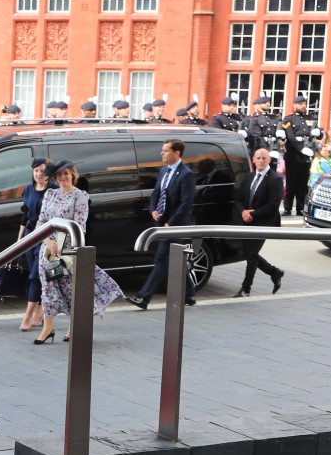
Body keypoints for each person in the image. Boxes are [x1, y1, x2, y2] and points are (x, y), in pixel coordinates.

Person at [32, 161, 123, 344]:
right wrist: (49, 241)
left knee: (72, 289)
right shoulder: (50, 194)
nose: (63, 177)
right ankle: (48, 327)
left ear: (73, 174)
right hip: (48, 250)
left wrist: (61, 244)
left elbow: (79, 226)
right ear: (55, 178)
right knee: (47, 289)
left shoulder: (80, 196)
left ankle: (75, 326)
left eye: (66, 174)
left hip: (68, 250)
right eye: (59, 175)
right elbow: (41, 222)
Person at [125, 139, 197, 310]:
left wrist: (171, 223)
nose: (162, 153)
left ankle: (143, 297)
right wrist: (153, 210)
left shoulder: (186, 174)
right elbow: (157, 193)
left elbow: (186, 203)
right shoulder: (164, 170)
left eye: (165, 150)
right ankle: (190, 293)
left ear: (176, 153)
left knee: (162, 259)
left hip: (177, 225)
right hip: (162, 222)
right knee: (176, 259)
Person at [233, 148, 284, 298]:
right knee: (250, 253)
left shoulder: (275, 179)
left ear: (269, 160)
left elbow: (273, 205)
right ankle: (275, 272)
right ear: (253, 160)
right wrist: (243, 212)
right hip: (247, 220)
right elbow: (239, 198)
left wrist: (253, 215)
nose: (261, 161)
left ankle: (246, 289)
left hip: (263, 222)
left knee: (251, 254)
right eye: (258, 158)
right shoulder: (249, 177)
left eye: (264, 158)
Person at [18, 158, 54, 332]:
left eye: (42, 171)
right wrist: (19, 240)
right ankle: (39, 311)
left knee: (35, 276)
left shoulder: (53, 190)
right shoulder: (28, 190)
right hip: (29, 237)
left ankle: (27, 317)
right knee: (35, 275)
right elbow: (25, 215)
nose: (39, 174)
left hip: (46, 238)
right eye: (36, 171)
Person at [279, 95, 323, 215]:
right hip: (293, 155)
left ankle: (300, 208)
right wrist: (301, 148)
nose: (303, 106)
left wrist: (319, 133)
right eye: (300, 104)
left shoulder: (310, 118)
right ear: (294, 105)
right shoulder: (289, 119)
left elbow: (318, 134)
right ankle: (287, 208)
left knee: (303, 183)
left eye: (304, 104)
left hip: (306, 156)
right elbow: (290, 136)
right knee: (291, 183)